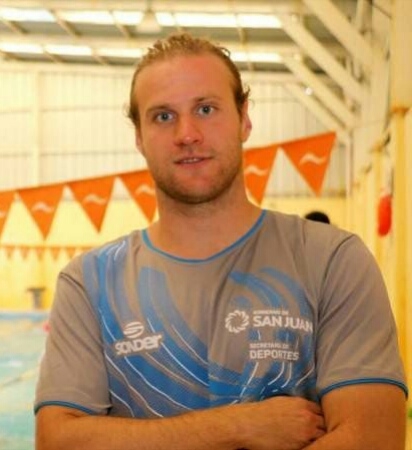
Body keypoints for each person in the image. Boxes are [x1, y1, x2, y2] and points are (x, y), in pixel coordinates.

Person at [34, 33, 407, 450]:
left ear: (244, 119)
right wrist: (235, 426)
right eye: (163, 116)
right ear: (139, 137)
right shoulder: (90, 283)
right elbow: (58, 441)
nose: (187, 133)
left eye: (206, 109)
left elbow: (375, 438)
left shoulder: (331, 259)